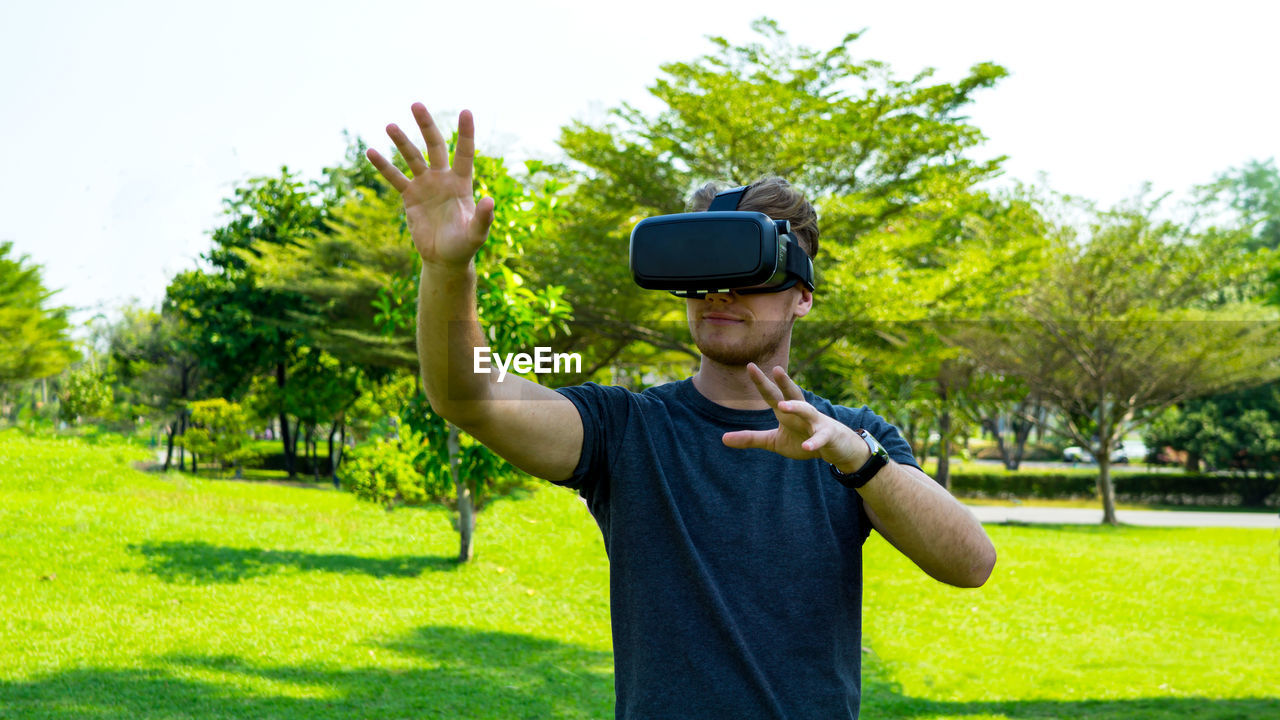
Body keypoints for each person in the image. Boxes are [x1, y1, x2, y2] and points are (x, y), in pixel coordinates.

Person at [366, 103, 996, 720]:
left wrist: (855, 459)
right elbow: (467, 392)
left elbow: (971, 563)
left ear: (802, 296)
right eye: (701, 272)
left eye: (747, 272)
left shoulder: (859, 441)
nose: (718, 293)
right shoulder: (627, 430)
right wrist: (448, 269)